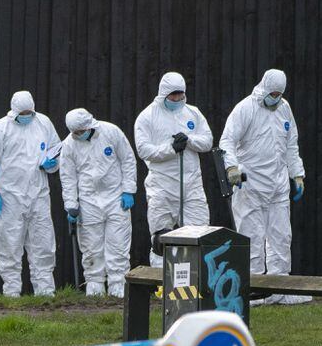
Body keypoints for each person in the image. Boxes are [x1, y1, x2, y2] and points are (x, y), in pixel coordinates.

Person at [219, 69, 308, 305]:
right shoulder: (245, 109)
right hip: (250, 184)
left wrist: (297, 174)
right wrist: (231, 168)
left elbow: (291, 144)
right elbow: (227, 140)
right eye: (272, 93)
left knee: (281, 236)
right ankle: (254, 290)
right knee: (252, 237)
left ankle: (280, 287)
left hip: (278, 184)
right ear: (264, 88)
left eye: (279, 94)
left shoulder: (284, 108)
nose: (275, 98)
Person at [0, 90, 61, 297]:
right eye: (22, 112)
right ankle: (11, 292)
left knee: (43, 242)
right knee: (9, 244)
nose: (26, 115)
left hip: (39, 194)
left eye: (29, 112)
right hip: (10, 196)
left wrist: (51, 165)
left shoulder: (43, 123)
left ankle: (45, 292)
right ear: (14, 111)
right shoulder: (0, 128)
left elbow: (56, 150)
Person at [134, 72, 214, 266]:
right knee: (162, 238)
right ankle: (160, 283)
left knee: (198, 233)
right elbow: (143, 149)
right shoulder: (147, 117)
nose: (177, 98)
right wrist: (170, 149)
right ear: (164, 94)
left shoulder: (193, 113)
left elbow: (207, 141)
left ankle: (194, 284)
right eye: (173, 95)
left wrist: (189, 140)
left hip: (192, 184)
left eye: (180, 94)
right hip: (162, 185)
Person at [59, 108, 137, 298]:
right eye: (75, 132)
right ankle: (94, 287)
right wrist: (71, 204)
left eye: (81, 131)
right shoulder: (69, 144)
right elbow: (67, 176)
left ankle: (118, 286)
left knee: (118, 244)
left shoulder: (111, 132)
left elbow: (127, 159)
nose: (78, 135)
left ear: (89, 125)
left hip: (115, 197)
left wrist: (128, 190)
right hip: (88, 200)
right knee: (91, 246)